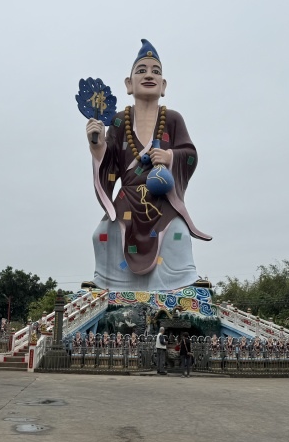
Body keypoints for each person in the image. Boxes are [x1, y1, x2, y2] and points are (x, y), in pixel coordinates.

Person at [86, 39, 211, 292]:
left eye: (155, 71)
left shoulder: (173, 119)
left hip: (161, 200)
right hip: (128, 198)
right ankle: (106, 283)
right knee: (102, 234)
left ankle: (181, 282)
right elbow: (109, 158)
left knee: (177, 234)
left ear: (163, 85)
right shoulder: (119, 121)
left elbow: (190, 154)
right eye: (141, 70)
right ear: (129, 84)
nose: (149, 75)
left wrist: (170, 157)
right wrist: (96, 144)